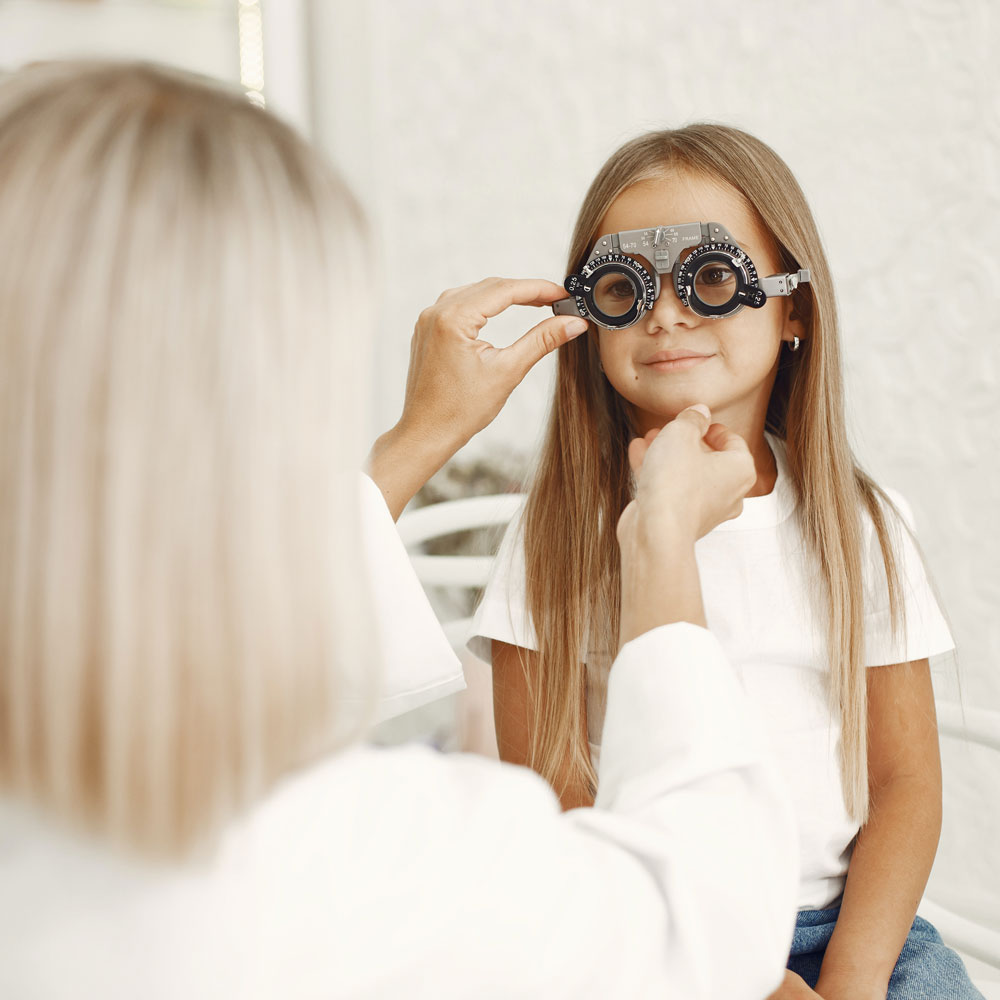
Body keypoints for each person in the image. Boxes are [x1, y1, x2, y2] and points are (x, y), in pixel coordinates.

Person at [0, 60, 799, 999]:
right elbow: (697, 927)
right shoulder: (343, 863)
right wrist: (659, 541)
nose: (665, 315)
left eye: (710, 278)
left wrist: (416, 440)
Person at [471, 125, 982, 999]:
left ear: (794, 310)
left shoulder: (860, 525)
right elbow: (553, 788)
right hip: (646, 935)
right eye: (625, 286)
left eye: (711, 277)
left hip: (848, 934)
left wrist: (852, 980)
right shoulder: (554, 536)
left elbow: (905, 783)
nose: (667, 314)